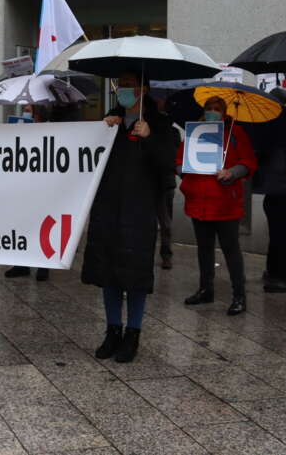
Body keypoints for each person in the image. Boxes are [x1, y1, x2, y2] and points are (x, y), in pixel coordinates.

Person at [82, 72, 175, 363]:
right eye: (119, 85)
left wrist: (149, 140)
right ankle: (113, 331)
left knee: (134, 273)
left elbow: (166, 169)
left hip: (139, 210)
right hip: (108, 206)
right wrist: (102, 130)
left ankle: (133, 333)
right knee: (108, 271)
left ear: (143, 89)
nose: (123, 90)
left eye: (129, 86)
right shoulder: (110, 122)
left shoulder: (162, 126)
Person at [180, 96, 257, 316]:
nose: (213, 111)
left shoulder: (235, 133)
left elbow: (248, 162)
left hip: (226, 204)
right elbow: (179, 161)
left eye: (217, 108)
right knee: (204, 249)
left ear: (224, 112)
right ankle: (206, 289)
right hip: (199, 202)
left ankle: (239, 296)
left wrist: (232, 173)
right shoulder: (194, 134)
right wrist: (184, 170)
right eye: (209, 108)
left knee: (231, 250)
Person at [252, 88, 286, 292]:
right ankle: (273, 270)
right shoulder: (276, 125)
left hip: (283, 188)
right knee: (276, 231)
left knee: (280, 233)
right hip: (274, 187)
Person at [4, 104, 52, 281]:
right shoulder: (22, 128)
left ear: (38, 114)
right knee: (21, 222)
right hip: (23, 186)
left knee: (42, 224)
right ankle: (21, 264)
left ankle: (44, 265)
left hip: (42, 187)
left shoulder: (52, 130)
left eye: (28, 110)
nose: (24, 112)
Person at [149, 92, 181, 270]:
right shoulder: (147, 127)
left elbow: (174, 157)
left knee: (166, 223)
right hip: (149, 181)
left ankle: (166, 253)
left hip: (165, 183)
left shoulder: (172, 132)